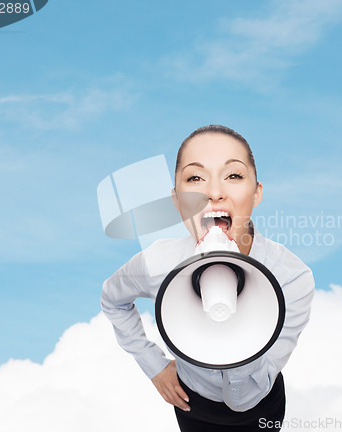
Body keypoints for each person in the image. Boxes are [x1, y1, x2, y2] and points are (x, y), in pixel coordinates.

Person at [101, 125, 315, 431]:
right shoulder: (157, 264)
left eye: (233, 175)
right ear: (177, 201)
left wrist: (238, 335)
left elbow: (245, 399)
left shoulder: (292, 278)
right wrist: (155, 366)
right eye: (195, 178)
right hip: (192, 404)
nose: (214, 192)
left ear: (256, 193)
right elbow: (112, 300)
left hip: (259, 408)